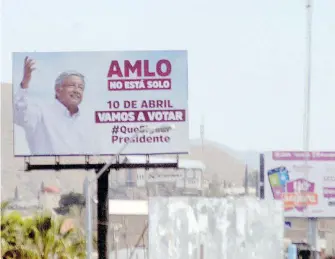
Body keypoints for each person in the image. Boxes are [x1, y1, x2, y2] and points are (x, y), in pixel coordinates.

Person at [14, 56, 96, 155]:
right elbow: (18, 114)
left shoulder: (87, 121)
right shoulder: (40, 112)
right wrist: (24, 83)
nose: (77, 90)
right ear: (57, 90)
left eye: (81, 87)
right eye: (72, 85)